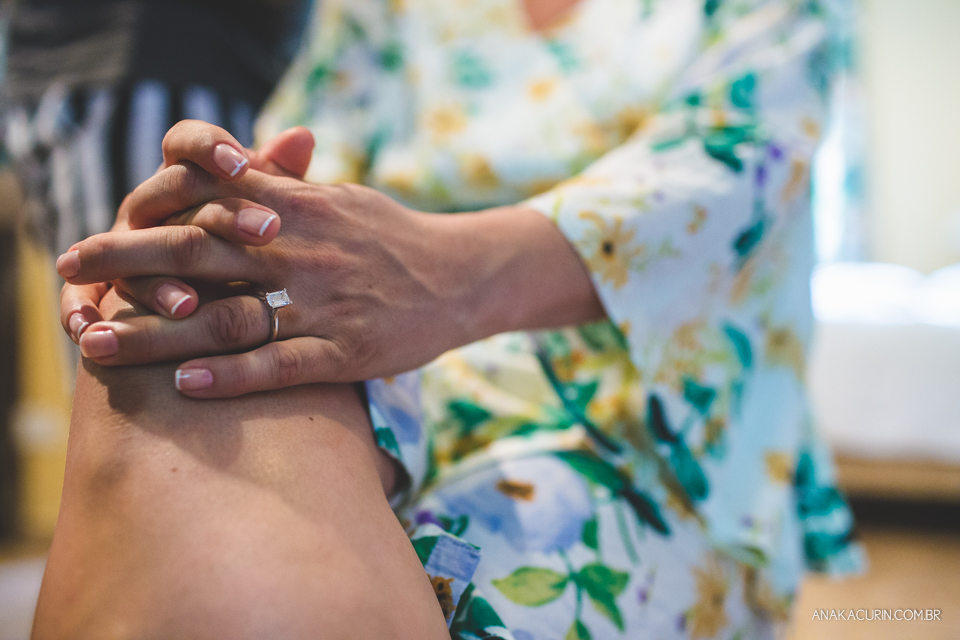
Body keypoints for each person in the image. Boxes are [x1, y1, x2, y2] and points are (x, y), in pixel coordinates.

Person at [46, 0, 862, 638]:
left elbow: (725, 181)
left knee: (451, 586)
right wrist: (218, 231)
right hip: (393, 362)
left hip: (646, 415)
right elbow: (306, 177)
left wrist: (445, 275)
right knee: (168, 345)